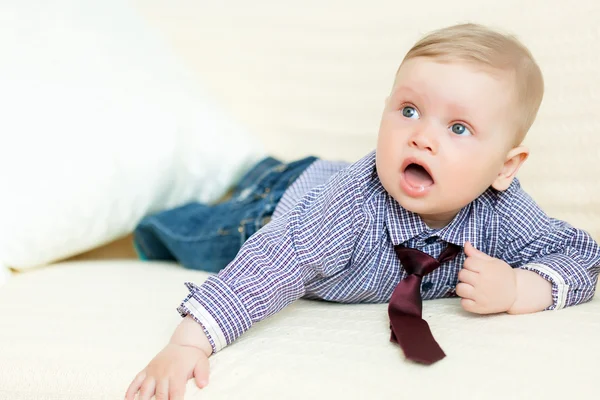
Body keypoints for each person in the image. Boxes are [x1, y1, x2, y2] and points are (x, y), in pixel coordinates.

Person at [125, 23, 600, 400]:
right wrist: (188, 343)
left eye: (458, 127)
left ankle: (261, 168)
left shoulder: (502, 210)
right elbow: (277, 260)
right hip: (277, 208)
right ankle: (170, 209)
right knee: (196, 235)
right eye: (409, 111)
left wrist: (521, 287)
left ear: (506, 166)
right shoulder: (351, 208)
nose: (422, 137)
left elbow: (581, 254)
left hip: (315, 177)